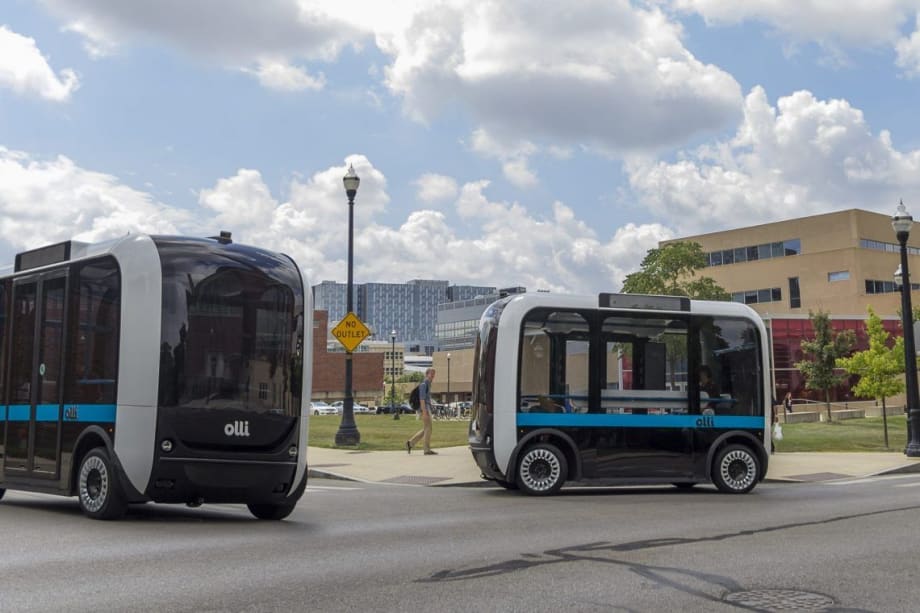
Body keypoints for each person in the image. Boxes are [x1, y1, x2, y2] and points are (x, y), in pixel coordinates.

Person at [407, 368, 437, 455]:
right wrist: (424, 412)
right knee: (428, 428)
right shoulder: (424, 384)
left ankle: (410, 443)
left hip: (426, 408)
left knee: (427, 429)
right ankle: (426, 449)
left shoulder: (428, 384)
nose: (433, 376)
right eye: (431, 374)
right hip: (424, 408)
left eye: (434, 374)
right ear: (427, 374)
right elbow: (422, 399)